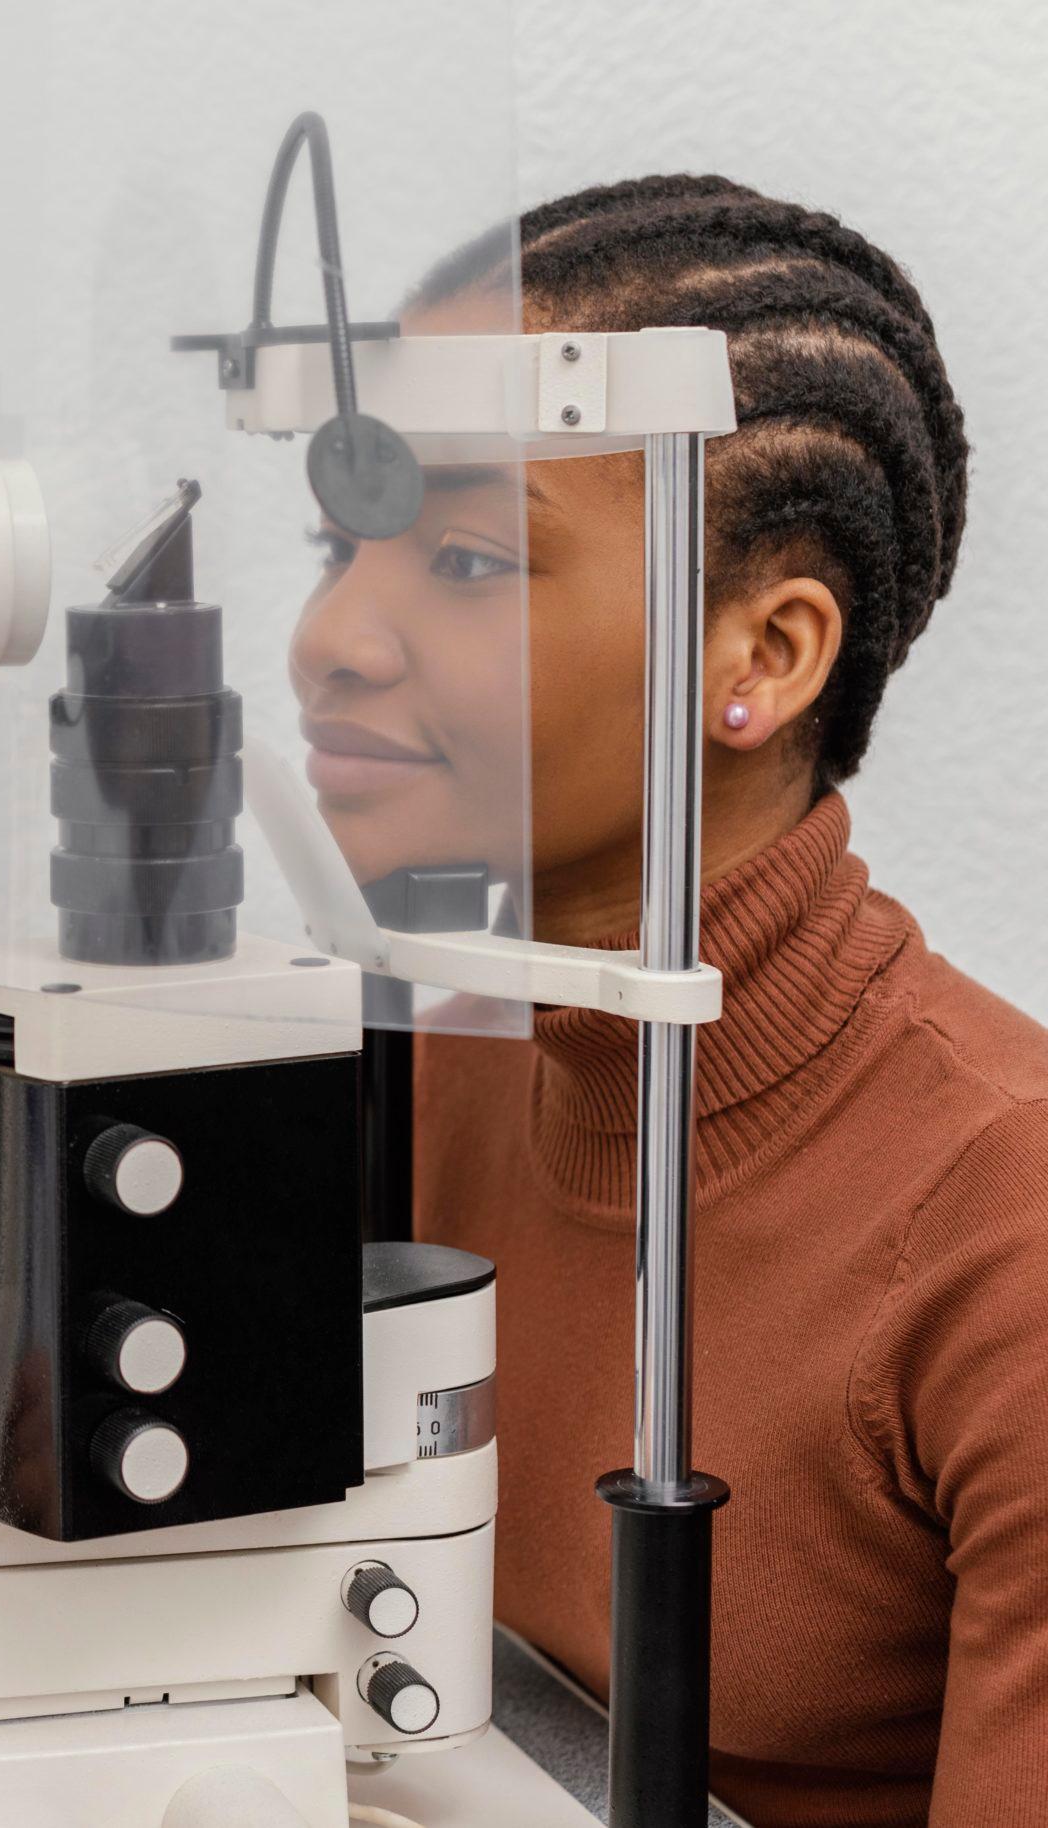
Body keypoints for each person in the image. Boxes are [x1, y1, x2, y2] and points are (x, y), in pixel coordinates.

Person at [292, 176, 1042, 1827]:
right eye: (342, 543)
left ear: (761, 657)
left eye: (472, 559)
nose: (330, 637)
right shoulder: (426, 1058)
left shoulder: (1008, 1229)